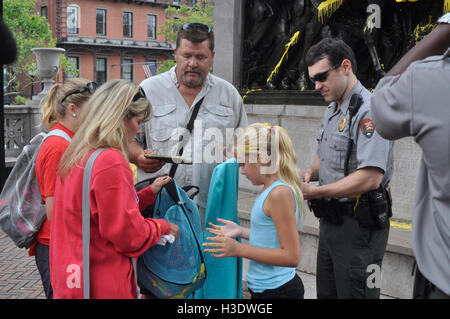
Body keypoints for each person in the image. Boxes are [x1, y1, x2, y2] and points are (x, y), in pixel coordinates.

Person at [50, 79, 179, 299]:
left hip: (73, 277)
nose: (138, 129)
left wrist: (147, 193)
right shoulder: (110, 160)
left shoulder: (77, 152)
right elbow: (128, 235)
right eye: (137, 121)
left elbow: (97, 213)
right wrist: (163, 227)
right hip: (102, 282)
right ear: (120, 118)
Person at [300, 38, 394, 299]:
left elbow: (371, 178)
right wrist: (309, 174)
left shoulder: (370, 110)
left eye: (321, 77)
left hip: (359, 226)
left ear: (345, 67)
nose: (317, 86)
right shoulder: (333, 107)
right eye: (313, 80)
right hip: (331, 222)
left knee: (358, 293)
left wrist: (314, 192)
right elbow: (325, 156)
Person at [129, 22, 248, 226]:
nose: (193, 63)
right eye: (187, 56)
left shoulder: (229, 96)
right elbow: (125, 139)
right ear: (175, 53)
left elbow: (245, 145)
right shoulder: (148, 91)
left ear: (212, 56)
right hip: (160, 213)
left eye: (200, 57)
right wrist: (138, 156)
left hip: (212, 214)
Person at [371, 14, 450, 299]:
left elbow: (380, 102)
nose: (317, 85)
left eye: (321, 76)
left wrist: (444, 30)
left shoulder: (431, 79)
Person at [204, 123, 305, 299]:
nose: (242, 171)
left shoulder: (278, 193)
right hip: (265, 290)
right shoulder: (268, 188)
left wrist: (238, 249)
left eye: (243, 164)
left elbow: (291, 256)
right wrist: (240, 231)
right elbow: (271, 237)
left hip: (279, 292)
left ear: (261, 159)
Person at [31, 78, 95, 299]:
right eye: (90, 110)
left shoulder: (65, 140)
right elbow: (54, 209)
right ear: (73, 109)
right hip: (56, 246)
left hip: (58, 244)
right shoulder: (59, 146)